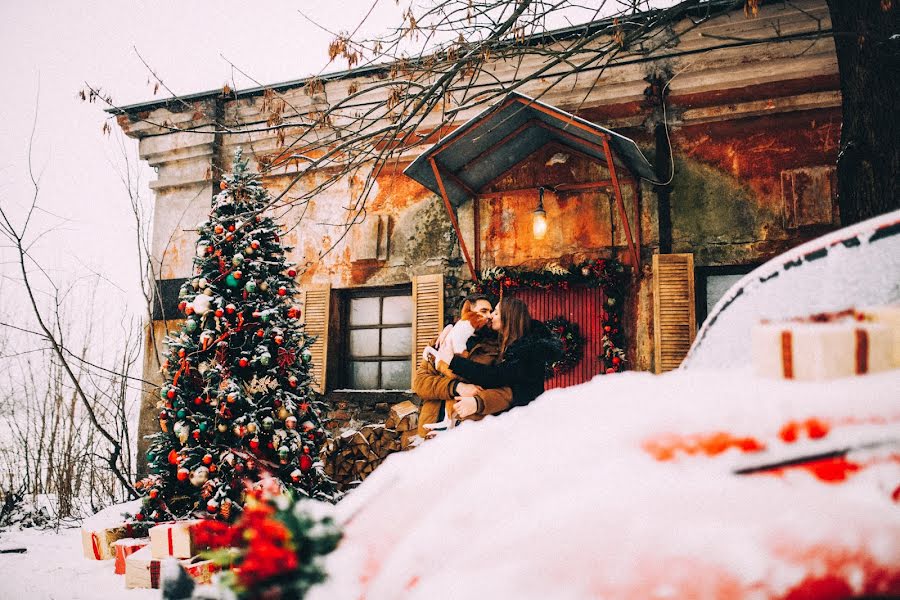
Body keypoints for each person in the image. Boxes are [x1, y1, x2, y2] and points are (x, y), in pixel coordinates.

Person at [412, 294, 514, 439]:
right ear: (467, 312)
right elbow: (420, 384)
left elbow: (507, 393)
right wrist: (456, 387)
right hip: (432, 430)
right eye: (484, 311)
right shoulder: (439, 343)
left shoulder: (498, 349)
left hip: (470, 433)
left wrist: (479, 402)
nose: (490, 316)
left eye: (491, 312)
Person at [435, 297, 562, 409]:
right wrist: (452, 328)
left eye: (495, 313)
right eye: (486, 312)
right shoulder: (505, 338)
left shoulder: (528, 349)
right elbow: (469, 323)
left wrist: (453, 361)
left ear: (508, 317)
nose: (490, 316)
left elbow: (496, 377)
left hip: (521, 415)